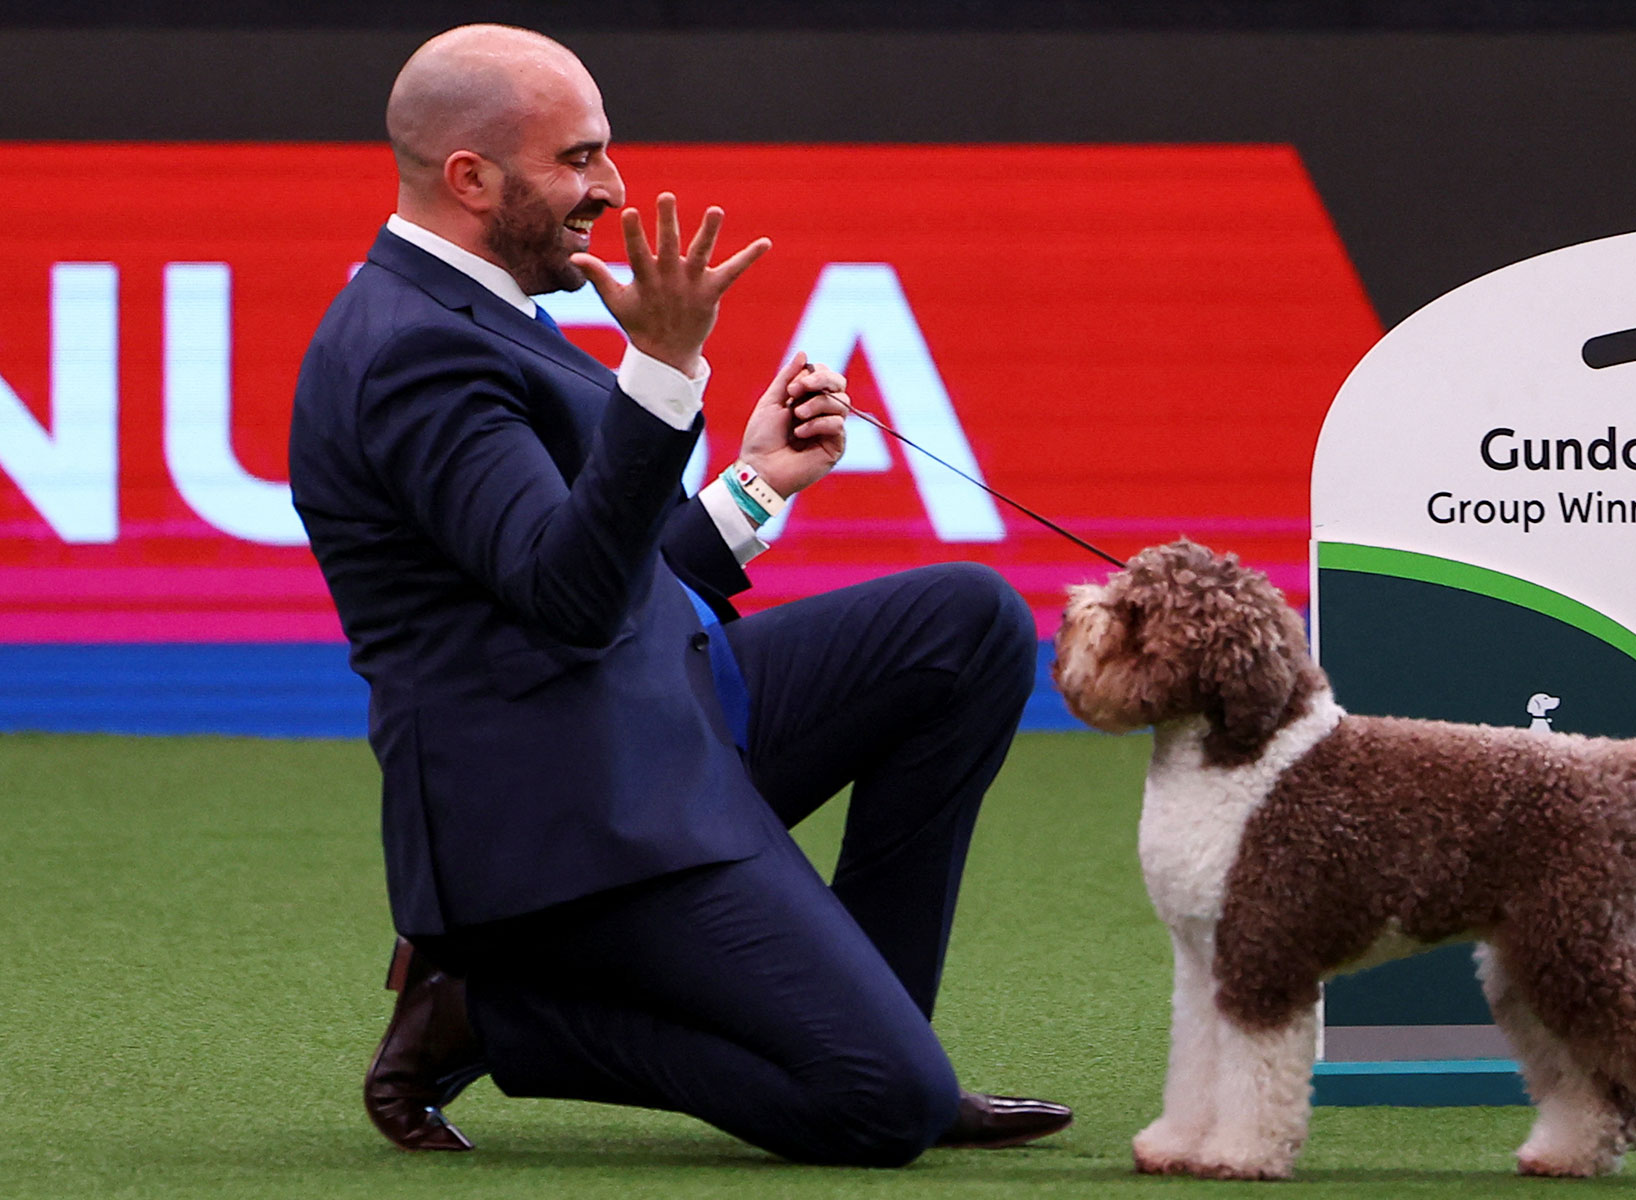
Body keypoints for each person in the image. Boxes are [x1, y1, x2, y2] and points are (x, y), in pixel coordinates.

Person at [287, 23, 1070, 1166]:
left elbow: (610, 569)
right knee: (880, 1110)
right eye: (580, 159)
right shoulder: (410, 351)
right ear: (472, 178)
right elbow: (569, 598)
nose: (610, 187)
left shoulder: (481, 308)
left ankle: (886, 1029)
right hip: (567, 807)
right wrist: (658, 372)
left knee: (966, 623)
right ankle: (489, 1014)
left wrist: (756, 486)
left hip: (656, 709)